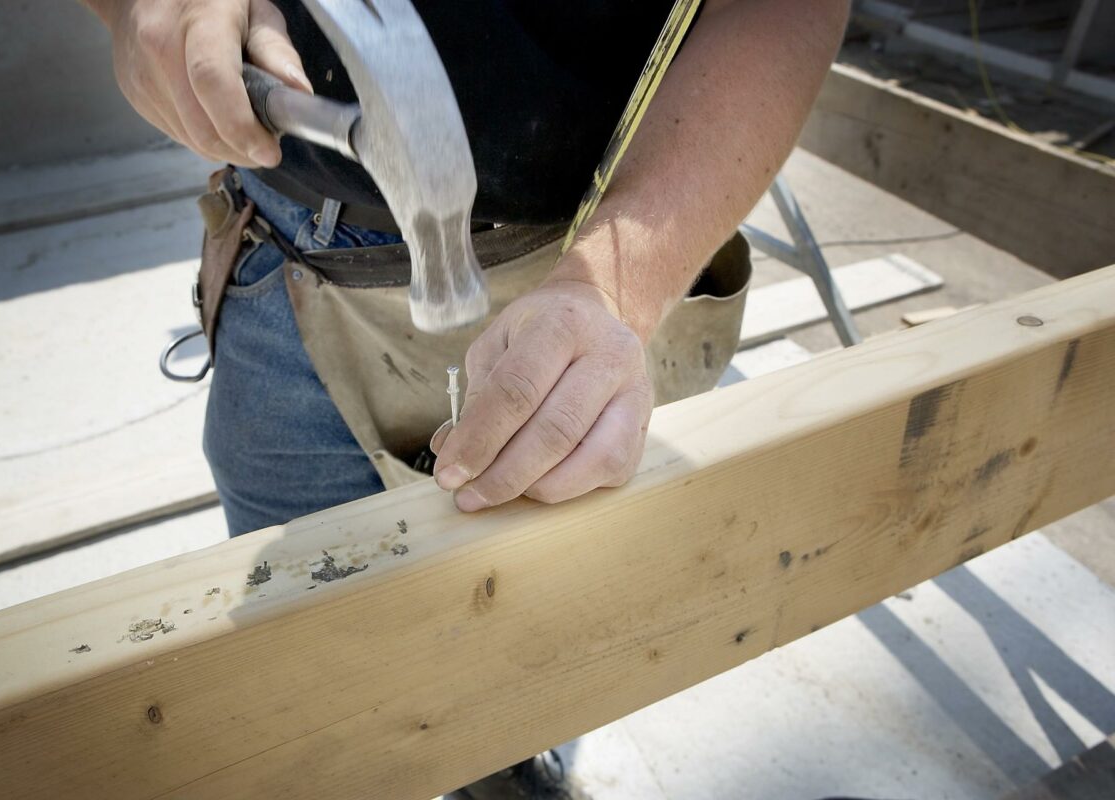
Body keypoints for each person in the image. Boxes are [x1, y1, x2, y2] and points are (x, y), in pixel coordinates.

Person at [83, 0, 849, 796]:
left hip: (600, 229)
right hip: (296, 249)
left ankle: (503, 762)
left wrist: (617, 289)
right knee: (310, 691)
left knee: (539, 630)